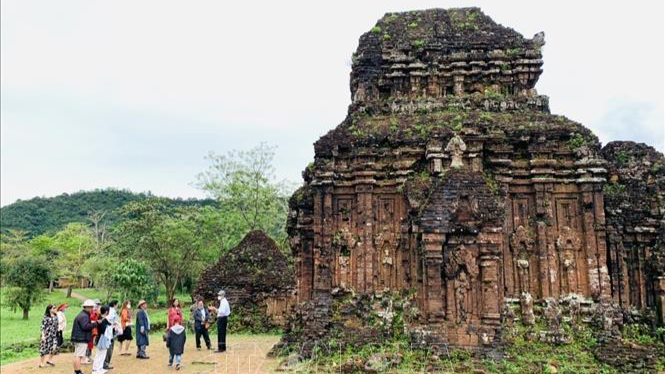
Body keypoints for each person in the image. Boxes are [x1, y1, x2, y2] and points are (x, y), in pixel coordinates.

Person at [71, 299, 99, 374]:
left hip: (79, 337)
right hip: (81, 338)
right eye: (92, 307)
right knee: (78, 355)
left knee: (77, 355)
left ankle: (77, 370)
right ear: (88, 307)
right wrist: (95, 324)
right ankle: (77, 371)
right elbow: (85, 327)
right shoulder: (84, 316)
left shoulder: (82, 314)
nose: (92, 309)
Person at [92, 305, 112, 374]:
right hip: (102, 339)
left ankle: (100, 368)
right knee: (99, 354)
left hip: (103, 338)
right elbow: (103, 329)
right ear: (106, 312)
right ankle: (95, 369)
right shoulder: (103, 320)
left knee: (103, 354)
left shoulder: (103, 319)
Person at [104, 300, 120, 370]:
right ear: (114, 305)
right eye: (117, 305)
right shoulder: (112, 311)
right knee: (109, 348)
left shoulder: (109, 310)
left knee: (108, 348)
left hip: (107, 332)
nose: (118, 306)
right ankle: (106, 363)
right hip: (110, 332)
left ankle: (105, 363)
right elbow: (114, 322)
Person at [85, 300, 102, 365]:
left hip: (94, 329)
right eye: (96, 304)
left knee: (91, 343)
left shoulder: (97, 312)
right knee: (89, 343)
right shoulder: (90, 313)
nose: (97, 306)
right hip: (90, 328)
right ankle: (86, 356)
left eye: (98, 304)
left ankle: (89, 355)